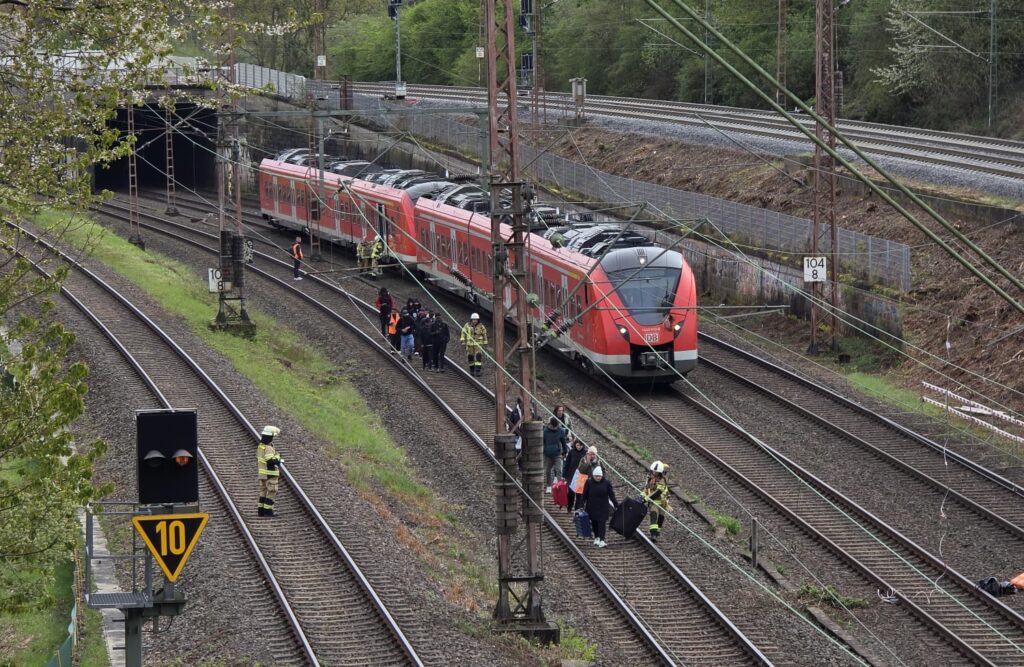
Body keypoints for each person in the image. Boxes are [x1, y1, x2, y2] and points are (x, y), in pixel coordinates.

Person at [582, 466, 616, 548]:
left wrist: (616, 504)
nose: (598, 478)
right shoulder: (589, 482)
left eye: (599, 476)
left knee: (602, 523)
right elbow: (584, 494)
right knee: (594, 523)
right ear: (593, 476)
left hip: (603, 507)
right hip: (591, 506)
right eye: (596, 476)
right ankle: (597, 537)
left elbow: (611, 495)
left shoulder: (607, 483)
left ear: (602, 476)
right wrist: (581, 504)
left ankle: (602, 539)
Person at [643, 461, 672, 542]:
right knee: (654, 517)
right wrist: (643, 496)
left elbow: (658, 492)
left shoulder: (663, 480)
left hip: (663, 503)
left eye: (656, 471)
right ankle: (653, 534)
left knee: (661, 518)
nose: (654, 472)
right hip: (654, 503)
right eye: (653, 471)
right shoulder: (650, 479)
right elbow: (646, 488)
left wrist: (647, 498)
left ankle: (656, 533)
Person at [257, 425, 282, 516]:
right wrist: (278, 458)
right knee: (272, 491)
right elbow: (270, 461)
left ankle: (261, 511)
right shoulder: (269, 448)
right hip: (270, 473)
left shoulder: (261, 446)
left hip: (262, 474)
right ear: (270, 437)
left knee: (263, 491)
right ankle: (268, 511)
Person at [542, 416, 567, 493]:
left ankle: (558, 486)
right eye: (553, 426)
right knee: (547, 471)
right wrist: (544, 450)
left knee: (559, 470)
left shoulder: (561, 431)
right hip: (547, 454)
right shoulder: (545, 431)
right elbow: (543, 441)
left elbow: (563, 442)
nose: (554, 427)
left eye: (555, 426)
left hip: (557, 454)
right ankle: (549, 485)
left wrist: (565, 451)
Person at [562, 437, 586, 515]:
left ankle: (576, 510)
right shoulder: (571, 452)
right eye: (578, 445)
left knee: (579, 495)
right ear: (575, 445)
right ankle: (569, 507)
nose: (579, 447)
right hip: (571, 475)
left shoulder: (585, 453)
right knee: (570, 493)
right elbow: (567, 463)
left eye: (580, 445)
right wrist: (564, 475)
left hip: (581, 476)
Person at [574, 446, 599, 510]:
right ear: (588, 454)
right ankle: (577, 511)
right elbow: (581, 470)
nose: (592, 456)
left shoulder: (598, 462)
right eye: (591, 454)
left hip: (592, 483)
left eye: (593, 454)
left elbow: (602, 471)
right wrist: (588, 463)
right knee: (579, 499)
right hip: (582, 482)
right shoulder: (583, 459)